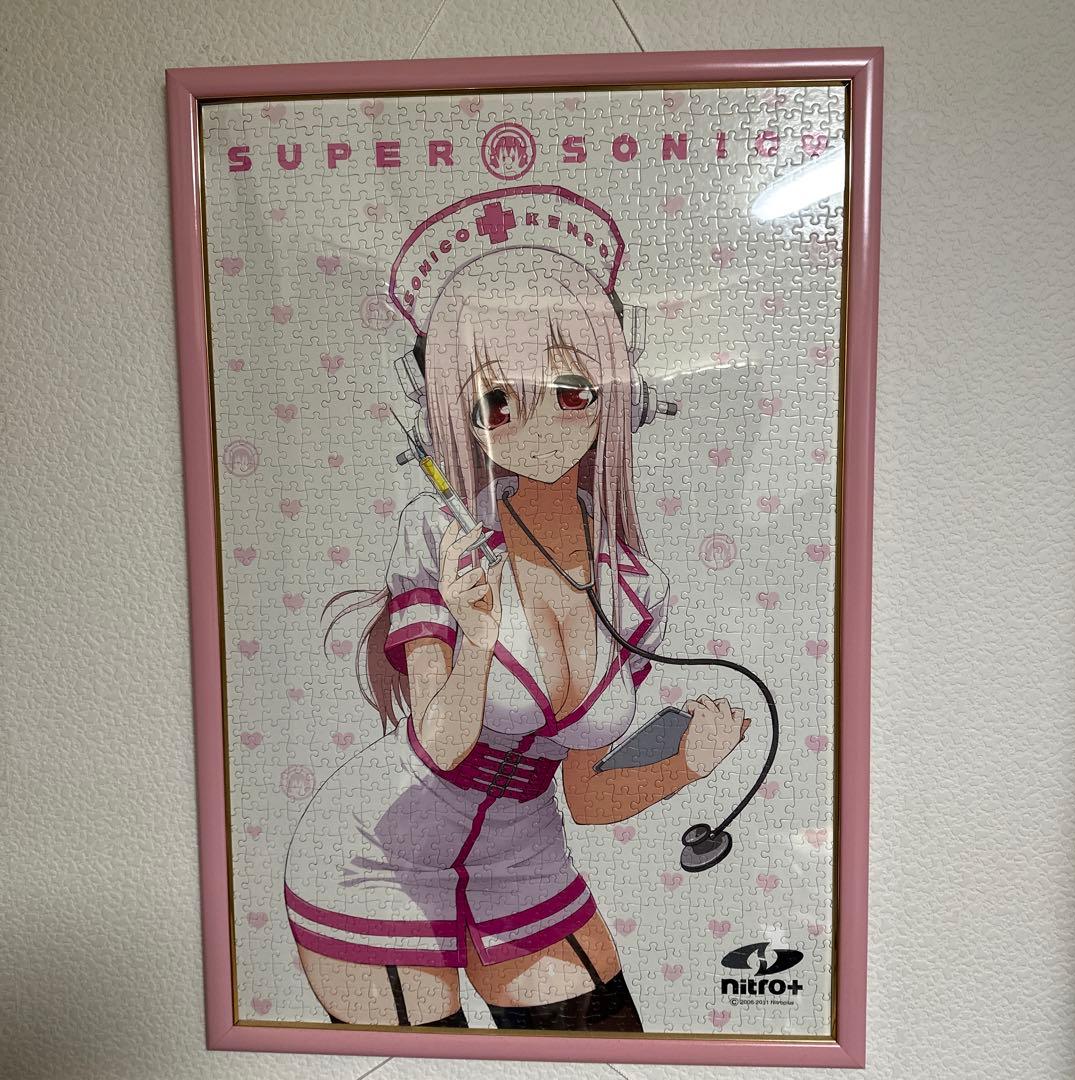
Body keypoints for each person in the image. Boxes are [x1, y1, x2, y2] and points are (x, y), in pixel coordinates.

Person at [283, 199, 751, 1032]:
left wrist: (687, 764)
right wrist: (475, 637)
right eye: (497, 401)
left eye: (572, 390)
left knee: (603, 1048)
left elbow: (587, 797)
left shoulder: (636, 588)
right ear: (450, 416)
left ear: (621, 398)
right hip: (379, 853)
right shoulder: (439, 535)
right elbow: (439, 744)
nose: (540, 426)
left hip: (527, 860)